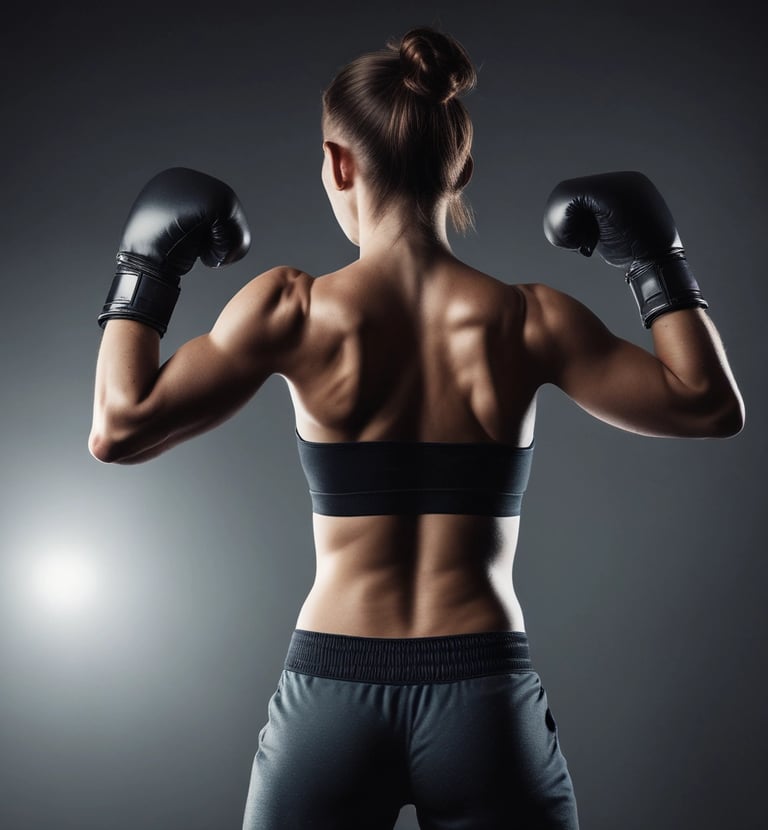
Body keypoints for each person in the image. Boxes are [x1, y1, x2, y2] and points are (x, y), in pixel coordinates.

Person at [88, 26, 744, 830]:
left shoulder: (290, 309)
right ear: (461, 167)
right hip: (482, 696)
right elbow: (709, 404)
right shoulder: (528, 320)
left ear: (337, 163)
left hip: (332, 689)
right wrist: (656, 260)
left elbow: (117, 428)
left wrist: (144, 270)